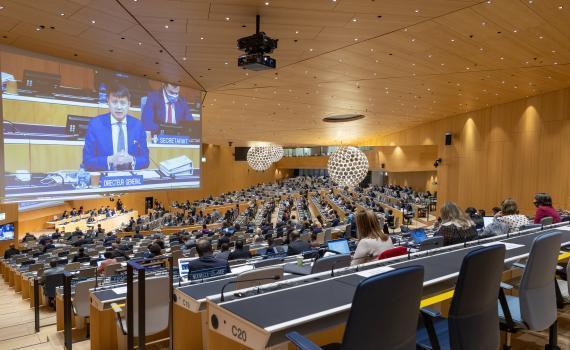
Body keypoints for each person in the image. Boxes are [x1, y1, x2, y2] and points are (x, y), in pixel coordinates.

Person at [82, 83, 149, 171]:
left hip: (130, 178)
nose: (119, 107)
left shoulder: (138, 125)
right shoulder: (96, 124)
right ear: (108, 102)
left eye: (123, 103)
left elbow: (145, 160)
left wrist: (132, 160)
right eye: (114, 102)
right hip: (104, 177)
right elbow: (87, 161)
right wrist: (110, 160)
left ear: (129, 104)